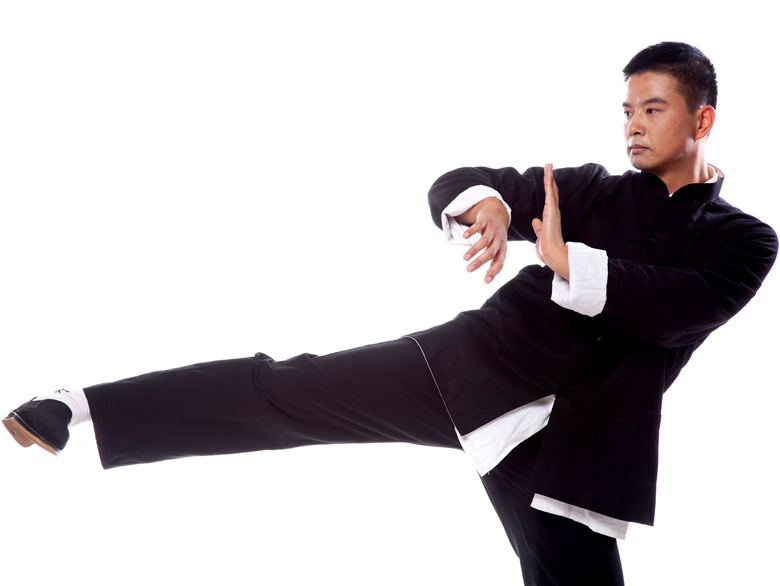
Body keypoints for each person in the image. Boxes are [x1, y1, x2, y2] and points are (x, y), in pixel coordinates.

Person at [4, 42, 777, 585]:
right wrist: (484, 205)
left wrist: (570, 262)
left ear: (701, 120)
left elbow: (683, 306)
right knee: (280, 391)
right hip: (468, 366)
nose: (633, 124)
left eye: (652, 109)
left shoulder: (744, 239)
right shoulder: (588, 190)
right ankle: (77, 406)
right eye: (626, 110)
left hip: (570, 450)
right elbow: (468, 180)